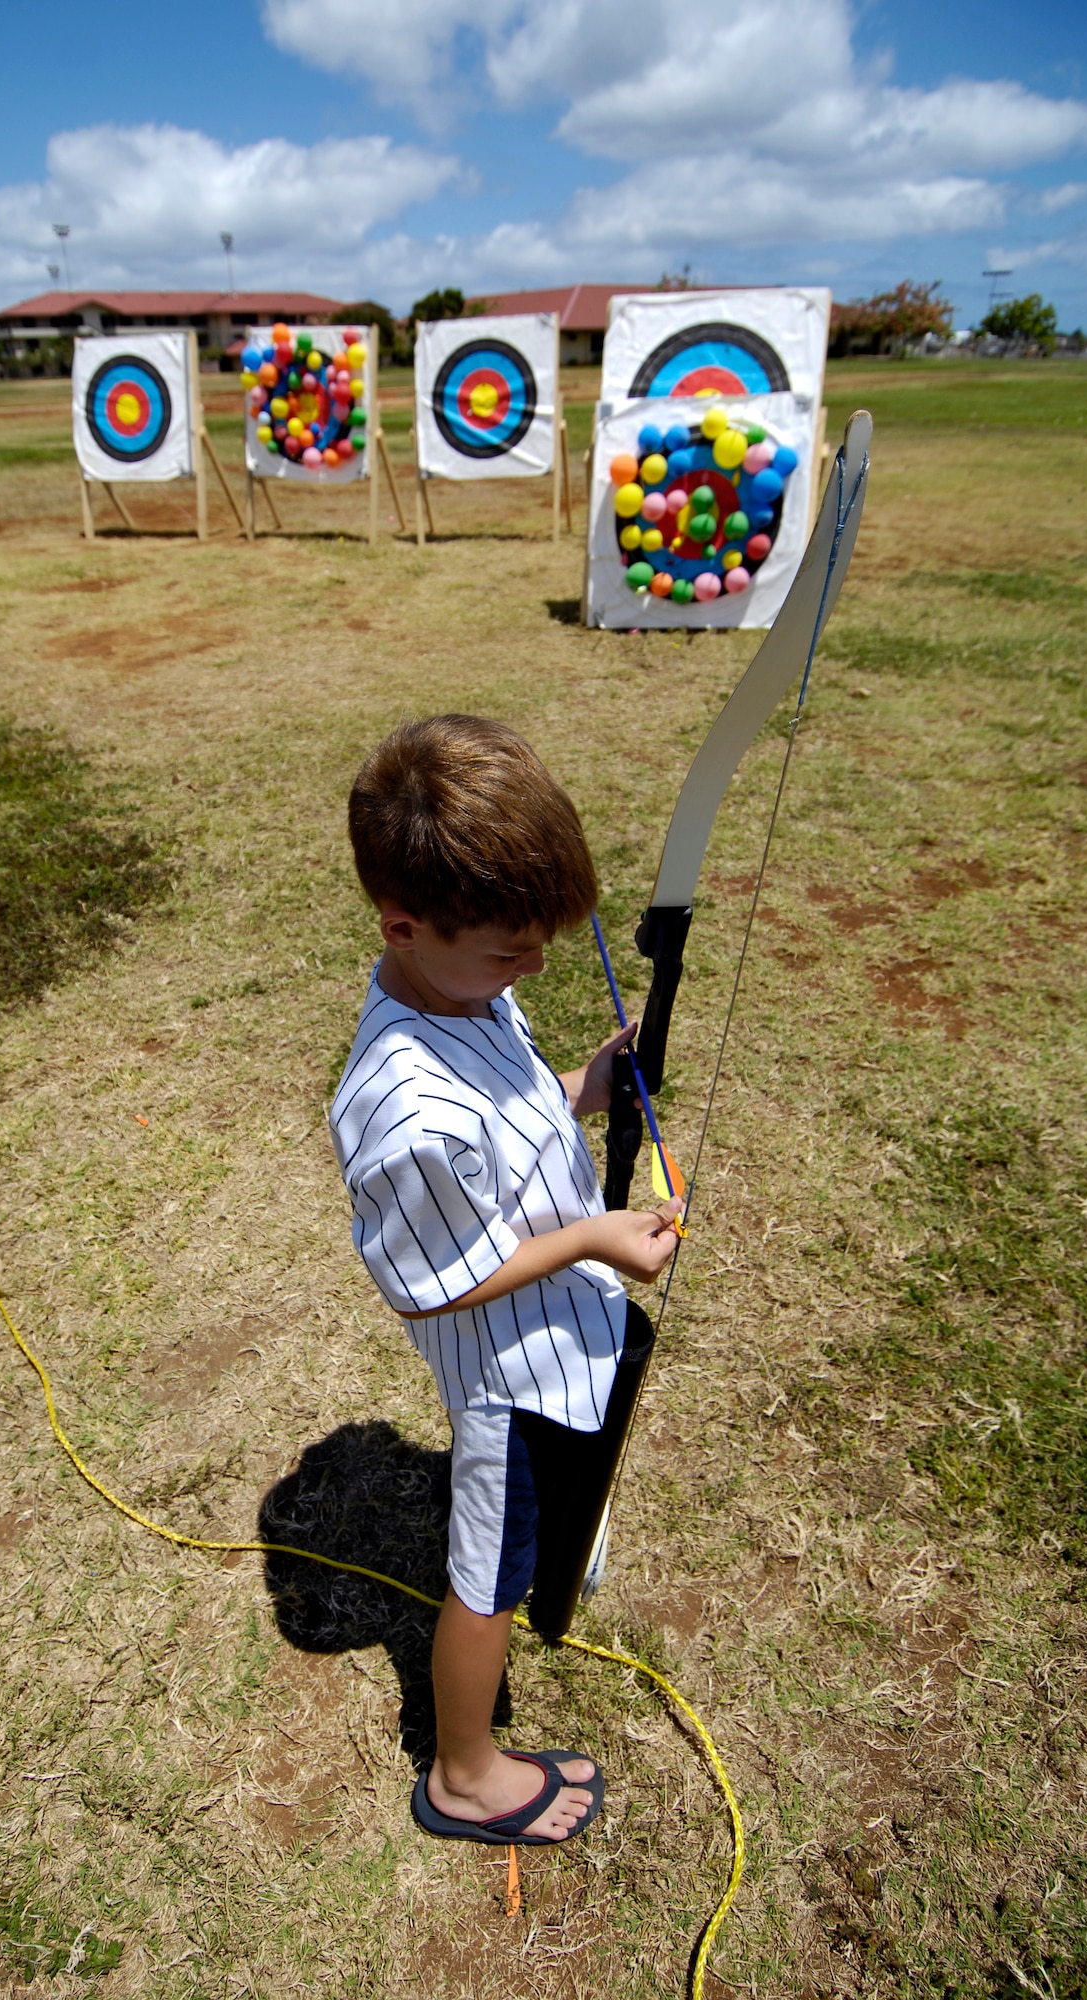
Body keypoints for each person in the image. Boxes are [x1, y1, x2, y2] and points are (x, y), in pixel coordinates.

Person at [329, 715, 683, 1847]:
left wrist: (591, 1079)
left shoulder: (469, 980)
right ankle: (464, 1773)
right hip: (501, 1378)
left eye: (542, 944)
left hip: (550, 1341)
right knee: (483, 1573)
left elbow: (523, 1109)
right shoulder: (400, 1108)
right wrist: (592, 1240)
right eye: (508, 950)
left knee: (526, 1535)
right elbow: (435, 1283)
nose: (531, 967)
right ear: (403, 924)